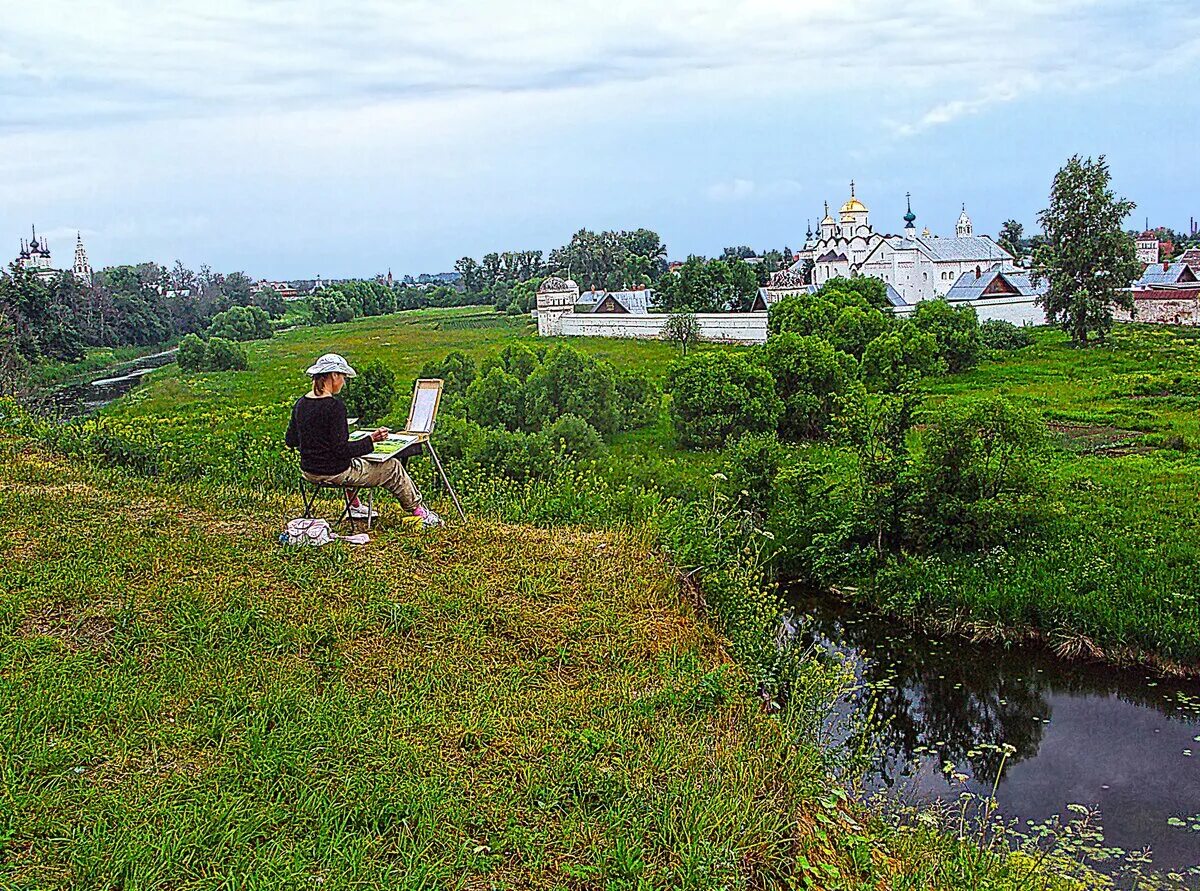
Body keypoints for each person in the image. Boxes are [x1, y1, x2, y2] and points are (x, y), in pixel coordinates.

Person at [286, 353, 442, 528]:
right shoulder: (334, 407)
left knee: (356, 460)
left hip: (308, 471)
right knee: (393, 467)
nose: (343, 382)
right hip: (334, 472)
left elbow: (291, 440)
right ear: (334, 375)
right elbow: (341, 451)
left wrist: (316, 440)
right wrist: (371, 440)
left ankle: (355, 506)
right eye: (343, 377)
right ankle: (419, 512)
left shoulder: (301, 404)